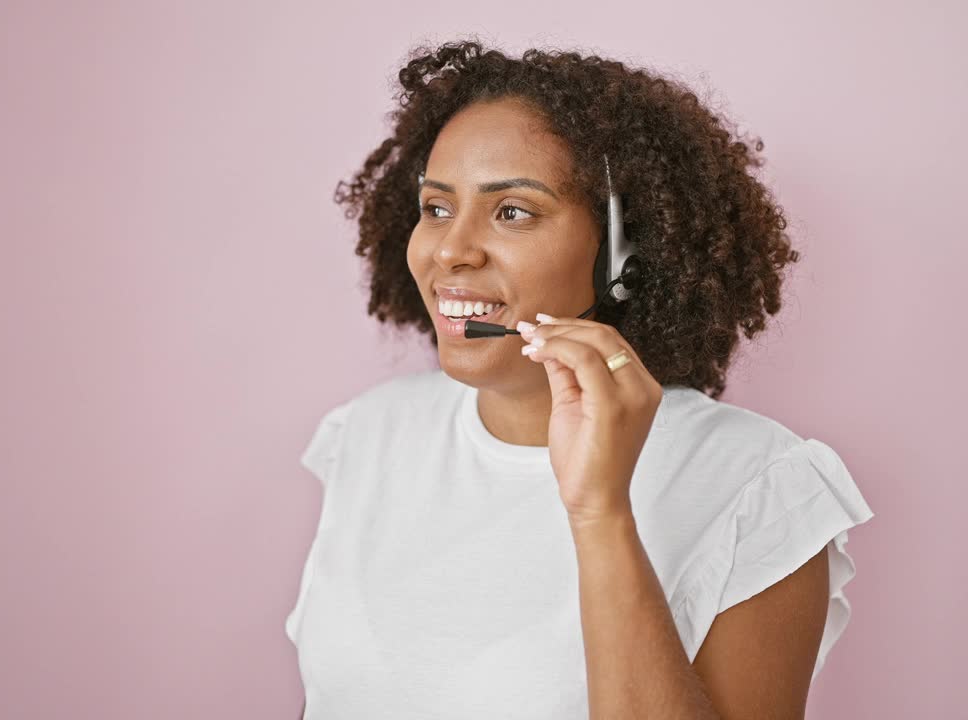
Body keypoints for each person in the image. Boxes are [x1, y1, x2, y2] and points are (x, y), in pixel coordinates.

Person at [284, 38, 875, 720]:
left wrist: (602, 514)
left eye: (513, 212)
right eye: (438, 208)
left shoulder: (759, 485)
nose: (451, 250)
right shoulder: (369, 434)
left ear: (624, 255)